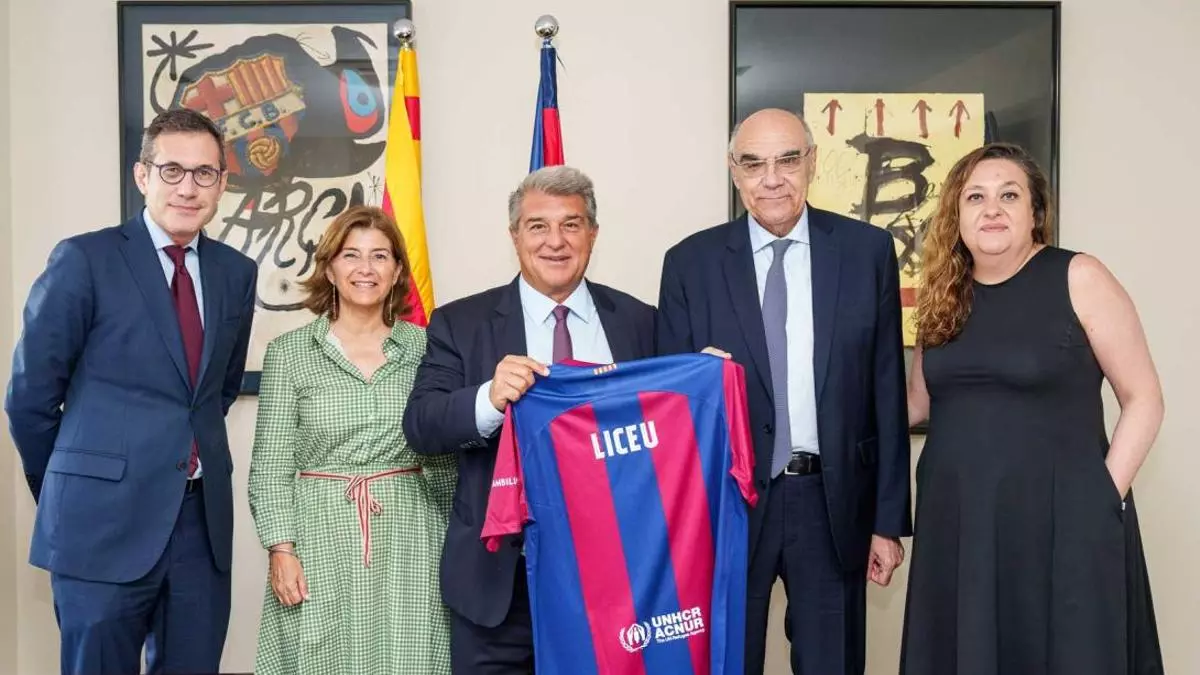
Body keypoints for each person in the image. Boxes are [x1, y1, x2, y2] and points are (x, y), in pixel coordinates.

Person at [657, 108, 911, 675]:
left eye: (787, 160)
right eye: (753, 164)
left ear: (812, 162)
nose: (771, 179)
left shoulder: (866, 252)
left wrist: (887, 521)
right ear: (734, 172)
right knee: (725, 662)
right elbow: (669, 409)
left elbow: (886, 390)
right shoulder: (689, 264)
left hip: (832, 502)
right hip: (729, 506)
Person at [5, 108, 257, 674]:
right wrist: (76, 486)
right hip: (98, 524)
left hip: (199, 527)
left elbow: (214, 393)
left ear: (222, 183)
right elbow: (29, 398)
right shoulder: (84, 259)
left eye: (204, 173)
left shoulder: (235, 272)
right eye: (172, 170)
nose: (188, 188)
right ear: (142, 176)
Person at [901, 142, 1164, 675]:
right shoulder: (943, 296)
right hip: (959, 524)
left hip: (1062, 520)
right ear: (956, 214)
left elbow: (1144, 398)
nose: (992, 209)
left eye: (1009, 195)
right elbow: (915, 404)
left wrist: (1100, 497)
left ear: (1035, 211)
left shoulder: (1079, 276)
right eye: (976, 197)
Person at [402, 165, 657, 674]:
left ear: (593, 234)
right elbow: (422, 426)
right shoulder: (461, 323)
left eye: (571, 224)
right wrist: (488, 399)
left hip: (615, 582)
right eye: (538, 226)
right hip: (499, 584)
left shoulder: (641, 322)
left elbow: (672, 431)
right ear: (515, 235)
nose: (555, 242)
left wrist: (709, 379)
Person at [247, 205, 455, 675]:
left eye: (380, 256)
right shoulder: (289, 353)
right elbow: (271, 466)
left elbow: (446, 454)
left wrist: (458, 538)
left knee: (411, 655)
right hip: (319, 534)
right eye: (351, 255)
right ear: (329, 268)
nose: (366, 268)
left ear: (397, 271)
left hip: (411, 533)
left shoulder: (427, 348)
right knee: (323, 656)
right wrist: (281, 548)